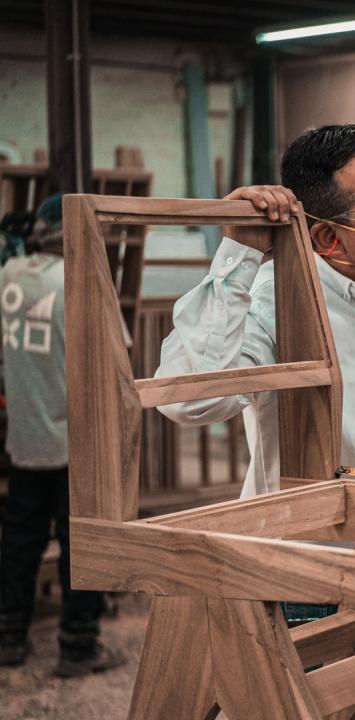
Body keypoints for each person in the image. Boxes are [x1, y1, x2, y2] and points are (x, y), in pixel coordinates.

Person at [156, 124, 355, 719]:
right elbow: (187, 401)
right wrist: (241, 253)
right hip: (320, 580)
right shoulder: (278, 299)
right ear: (328, 237)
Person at [0, 194, 126, 676]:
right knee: (81, 544)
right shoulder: (80, 283)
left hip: (26, 436)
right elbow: (113, 359)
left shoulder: (8, 277)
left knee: (21, 537)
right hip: (77, 440)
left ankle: (11, 635)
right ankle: (77, 645)